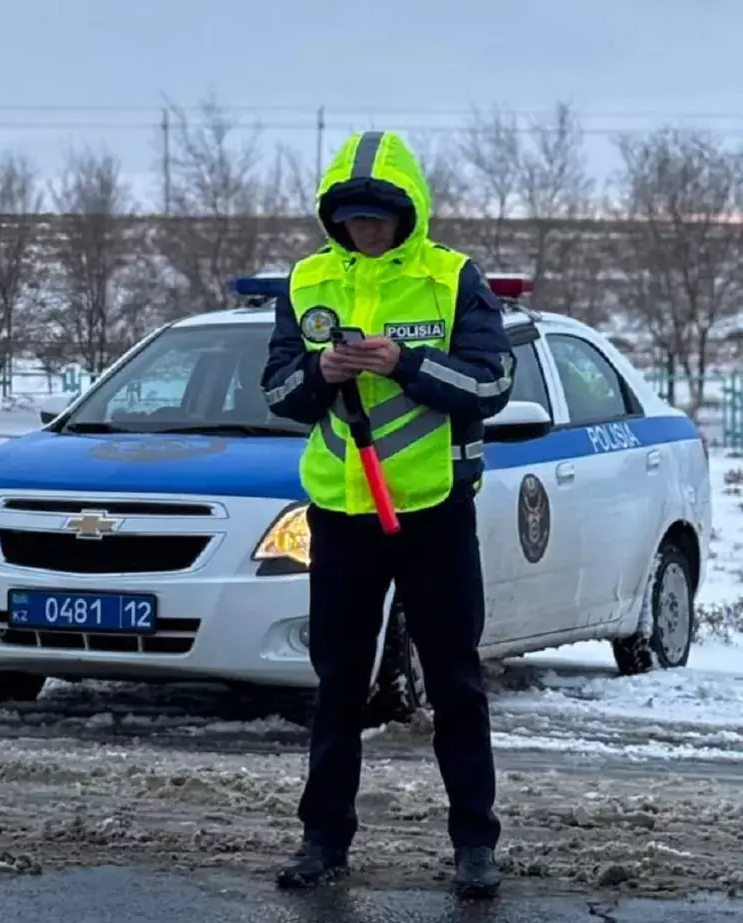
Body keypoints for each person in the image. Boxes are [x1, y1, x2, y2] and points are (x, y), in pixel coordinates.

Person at [262, 130, 516, 898]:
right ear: (332, 216)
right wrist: (321, 369)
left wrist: (404, 363)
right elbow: (276, 391)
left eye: (379, 216)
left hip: (433, 509)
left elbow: (491, 384)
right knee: (338, 682)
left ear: (409, 212)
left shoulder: (450, 278)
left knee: (455, 682)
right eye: (352, 217)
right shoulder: (306, 280)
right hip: (342, 512)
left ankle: (475, 844)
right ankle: (322, 841)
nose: (365, 229)